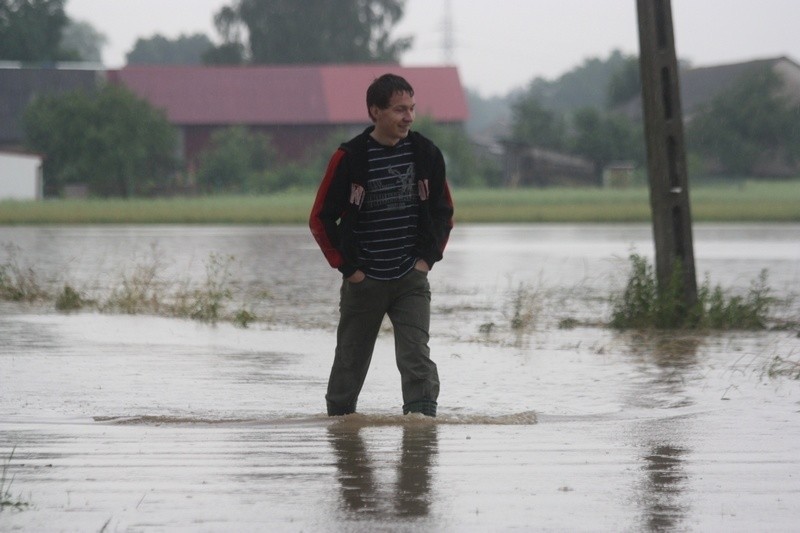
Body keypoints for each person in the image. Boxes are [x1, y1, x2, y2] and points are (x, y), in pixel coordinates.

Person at [309, 73, 454, 417]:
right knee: (349, 365)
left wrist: (426, 261)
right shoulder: (349, 158)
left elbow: (443, 212)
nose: (408, 117)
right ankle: (341, 430)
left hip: (410, 279)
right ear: (375, 111)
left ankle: (420, 434)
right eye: (399, 109)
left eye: (412, 109)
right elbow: (320, 219)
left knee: (416, 358)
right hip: (364, 281)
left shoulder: (426, 153)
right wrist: (350, 270)